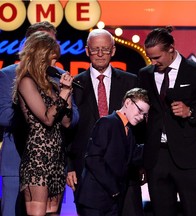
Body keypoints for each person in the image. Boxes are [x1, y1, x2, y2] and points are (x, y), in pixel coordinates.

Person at [138, 26, 196, 216]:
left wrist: (190, 112)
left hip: (188, 159)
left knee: (193, 210)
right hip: (156, 158)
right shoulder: (145, 74)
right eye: (150, 58)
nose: (153, 62)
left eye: (157, 58)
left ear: (171, 48)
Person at [0, 21, 79, 216]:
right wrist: (31, 119)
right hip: (30, 156)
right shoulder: (13, 76)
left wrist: (65, 92)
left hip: (55, 158)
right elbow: (6, 115)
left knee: (52, 211)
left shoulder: (58, 77)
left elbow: (70, 120)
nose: (54, 60)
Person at [65, 29, 144, 215]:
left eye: (105, 50)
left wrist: (140, 164)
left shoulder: (130, 81)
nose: (100, 54)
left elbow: (140, 128)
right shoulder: (74, 85)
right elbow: (67, 129)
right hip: (87, 171)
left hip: (125, 170)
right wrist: (69, 167)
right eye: (95, 49)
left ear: (113, 51)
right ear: (87, 51)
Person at [75, 88, 149, 216]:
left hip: (111, 201)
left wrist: (156, 144)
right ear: (127, 103)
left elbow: (133, 156)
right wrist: (114, 189)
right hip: (95, 200)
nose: (141, 117)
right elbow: (93, 158)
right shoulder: (107, 123)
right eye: (140, 111)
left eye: (145, 114)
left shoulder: (128, 130)